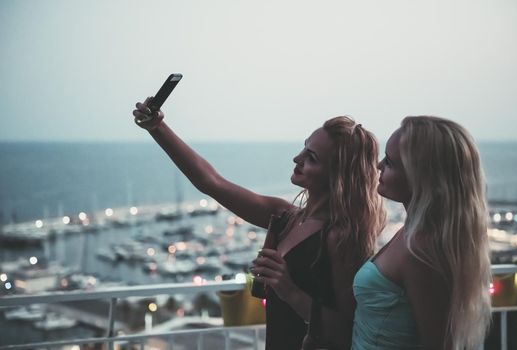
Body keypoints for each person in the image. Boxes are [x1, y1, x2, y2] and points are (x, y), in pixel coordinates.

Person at [133, 97, 385, 349]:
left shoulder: (341, 236)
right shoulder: (286, 217)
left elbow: (346, 329)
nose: (296, 158)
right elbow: (211, 182)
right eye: (303, 148)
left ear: (337, 175)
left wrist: (289, 290)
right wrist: (157, 127)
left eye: (312, 158)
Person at [351, 116, 492, 350]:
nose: (378, 165)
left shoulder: (421, 249)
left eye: (391, 162)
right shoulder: (413, 232)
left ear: (422, 176)